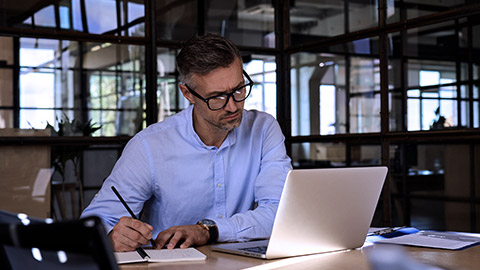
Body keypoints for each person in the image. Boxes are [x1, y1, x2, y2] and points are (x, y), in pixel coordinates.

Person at [81, 33, 292, 252]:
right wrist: (111, 235)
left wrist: (209, 230)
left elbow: (280, 212)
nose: (232, 106)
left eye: (239, 89)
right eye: (217, 97)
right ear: (187, 93)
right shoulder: (150, 146)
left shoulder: (264, 128)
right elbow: (94, 222)